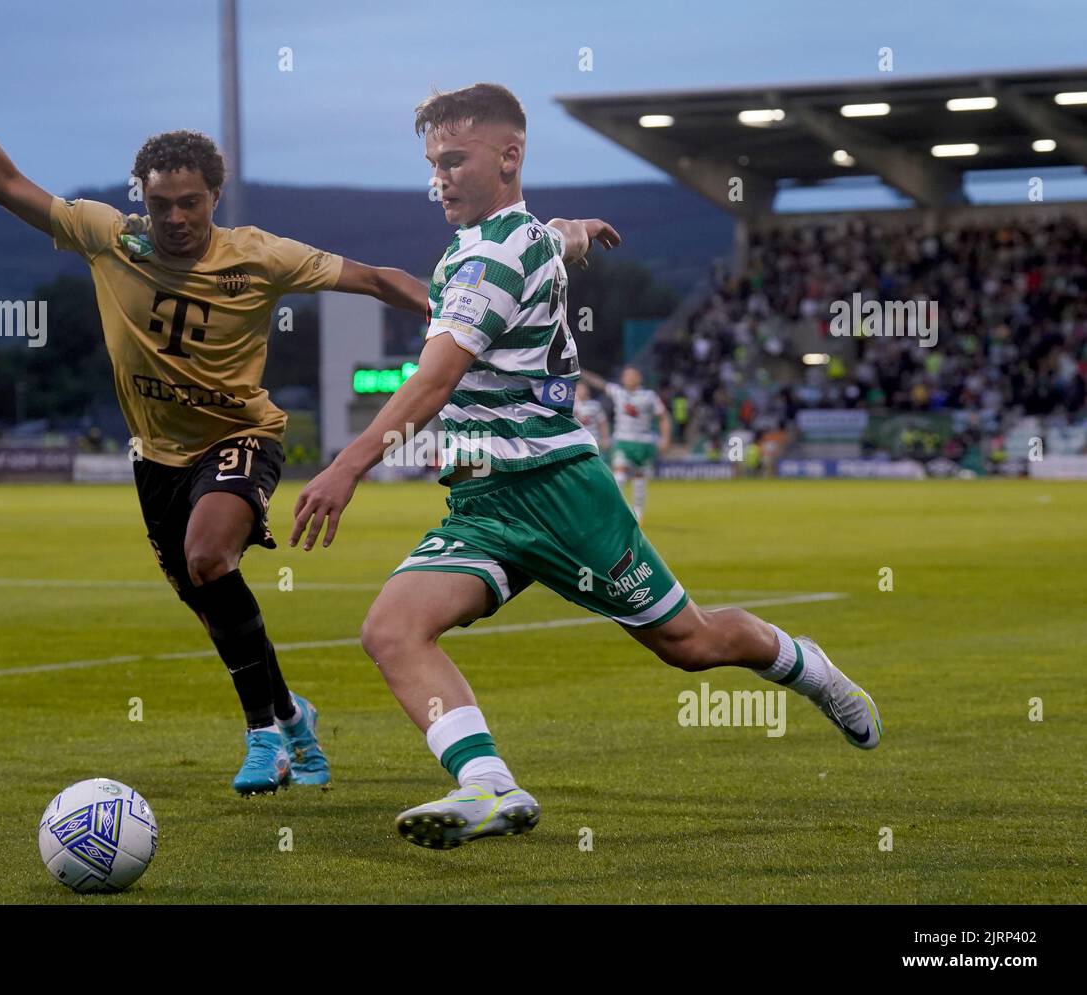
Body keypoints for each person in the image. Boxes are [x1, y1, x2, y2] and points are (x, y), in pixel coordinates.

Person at [290, 82, 881, 850]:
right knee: (392, 629)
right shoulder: (486, 245)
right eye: (433, 163)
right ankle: (488, 786)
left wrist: (348, 466)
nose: (440, 178)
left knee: (691, 645)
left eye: (455, 160)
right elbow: (553, 237)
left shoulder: (499, 253)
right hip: (485, 506)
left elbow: (433, 380)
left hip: (559, 494)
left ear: (510, 156)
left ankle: (812, 668)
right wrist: (576, 229)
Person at [0, 10, 430, 796]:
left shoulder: (259, 255)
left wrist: (452, 313)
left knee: (207, 556)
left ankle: (261, 733)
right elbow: (5, 185)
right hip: (157, 457)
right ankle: (292, 718)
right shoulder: (107, 236)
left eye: (192, 202)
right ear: (142, 199)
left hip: (241, 436)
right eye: (163, 204)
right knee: (212, 599)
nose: (178, 218)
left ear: (214, 195)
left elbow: (377, 278)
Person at [580, 366, 670, 524]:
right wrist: (582, 372)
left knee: (639, 479)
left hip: (643, 442)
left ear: (639, 378)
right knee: (619, 475)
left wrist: (665, 439)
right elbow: (600, 383)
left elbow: (663, 416)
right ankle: (616, 510)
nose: (627, 378)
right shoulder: (618, 392)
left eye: (630, 375)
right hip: (623, 440)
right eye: (625, 376)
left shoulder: (649, 396)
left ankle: (638, 513)